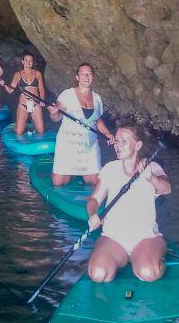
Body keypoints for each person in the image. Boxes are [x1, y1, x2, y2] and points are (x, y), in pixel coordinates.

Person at [85, 124, 171, 283]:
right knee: (98, 274)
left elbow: (166, 189)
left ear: (138, 145)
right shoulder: (110, 169)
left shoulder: (152, 167)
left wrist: (150, 178)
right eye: (117, 141)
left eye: (123, 142)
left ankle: (152, 256)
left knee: (148, 273)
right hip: (114, 237)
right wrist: (93, 214)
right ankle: (123, 258)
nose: (118, 145)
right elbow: (94, 199)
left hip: (145, 237)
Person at [48, 63, 114, 187]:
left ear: (93, 77)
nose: (86, 77)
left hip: (89, 144)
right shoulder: (67, 95)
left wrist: (107, 133)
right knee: (59, 182)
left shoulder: (97, 98)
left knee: (95, 182)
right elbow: (56, 118)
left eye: (89, 74)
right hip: (68, 143)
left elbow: (97, 119)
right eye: (83, 74)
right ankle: (60, 170)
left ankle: (83, 171)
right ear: (77, 77)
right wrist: (53, 113)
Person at [4, 53, 46, 135]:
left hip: (35, 103)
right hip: (23, 104)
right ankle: (19, 124)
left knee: (41, 131)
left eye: (30, 60)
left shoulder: (38, 74)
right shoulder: (18, 75)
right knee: (19, 131)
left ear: (33, 62)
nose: (28, 62)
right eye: (26, 60)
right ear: (22, 62)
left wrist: (42, 100)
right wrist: (4, 84)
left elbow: (41, 89)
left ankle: (33, 124)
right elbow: (10, 90)